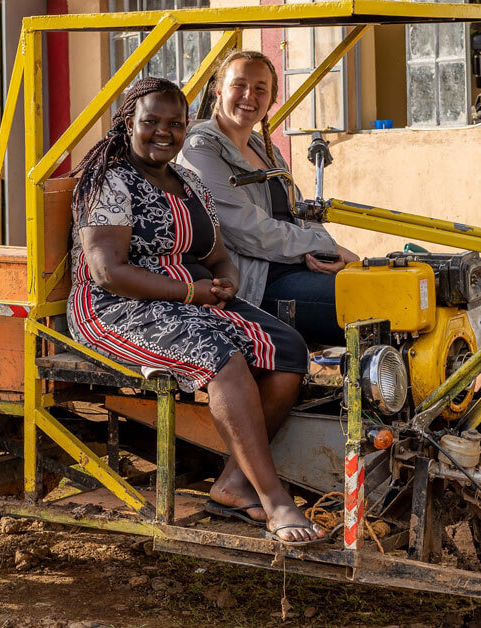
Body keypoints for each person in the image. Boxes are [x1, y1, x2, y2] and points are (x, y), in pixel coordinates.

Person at [66, 76, 325, 545]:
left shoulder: (187, 181)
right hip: (114, 308)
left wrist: (226, 282)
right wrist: (191, 295)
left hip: (188, 299)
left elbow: (216, 254)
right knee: (220, 355)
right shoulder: (107, 181)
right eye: (151, 122)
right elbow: (108, 272)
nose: (164, 132)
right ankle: (275, 502)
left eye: (175, 124)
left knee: (288, 349)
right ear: (128, 123)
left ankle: (232, 483)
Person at [177, 50, 358, 347]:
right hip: (255, 285)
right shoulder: (199, 149)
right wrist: (325, 245)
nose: (250, 95)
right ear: (219, 91)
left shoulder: (264, 149)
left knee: (391, 287)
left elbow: (303, 214)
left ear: (271, 99)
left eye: (261, 88)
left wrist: (329, 257)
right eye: (239, 85)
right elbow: (246, 230)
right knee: (371, 305)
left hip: (298, 270)